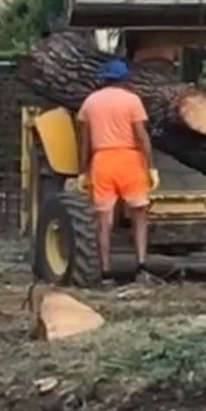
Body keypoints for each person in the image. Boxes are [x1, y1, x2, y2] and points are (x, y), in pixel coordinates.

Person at [78, 58, 154, 280]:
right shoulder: (132, 101)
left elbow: (85, 142)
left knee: (104, 219)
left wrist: (83, 170)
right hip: (130, 159)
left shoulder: (90, 102)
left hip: (102, 160)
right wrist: (151, 167)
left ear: (105, 78)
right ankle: (141, 265)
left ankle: (106, 270)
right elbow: (142, 136)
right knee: (139, 215)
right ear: (124, 78)